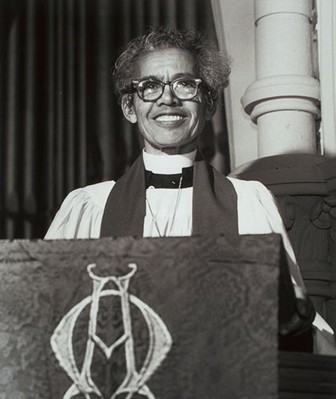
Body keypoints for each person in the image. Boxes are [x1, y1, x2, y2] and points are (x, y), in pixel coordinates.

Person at [45, 27, 335, 354]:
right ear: (130, 108)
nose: (168, 98)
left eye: (185, 84)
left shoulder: (248, 202)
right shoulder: (89, 207)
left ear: (208, 105)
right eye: (150, 86)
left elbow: (292, 316)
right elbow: (46, 319)